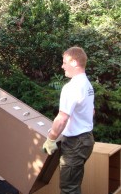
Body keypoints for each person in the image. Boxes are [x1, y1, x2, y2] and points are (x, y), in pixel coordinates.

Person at [43, 46, 95, 194]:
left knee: (69, 189)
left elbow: (62, 118)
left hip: (75, 144)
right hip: (86, 140)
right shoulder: (87, 84)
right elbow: (91, 111)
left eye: (64, 62)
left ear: (73, 62)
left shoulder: (72, 87)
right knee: (74, 184)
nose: (62, 66)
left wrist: (51, 139)